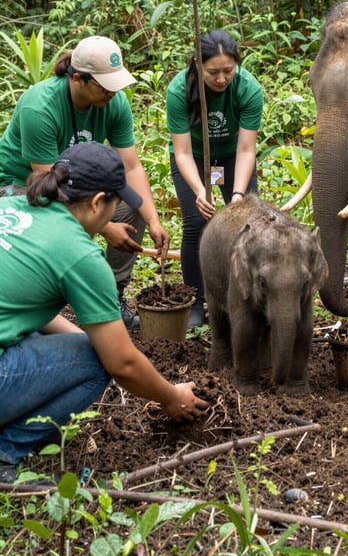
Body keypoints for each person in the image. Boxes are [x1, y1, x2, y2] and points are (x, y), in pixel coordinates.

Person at [0, 142, 208, 484]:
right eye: (116, 203)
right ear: (98, 202)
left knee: (87, 346)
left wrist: (88, 339)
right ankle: (5, 449)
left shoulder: (11, 206)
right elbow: (122, 365)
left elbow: (22, 309)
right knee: (99, 361)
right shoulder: (79, 254)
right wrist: (171, 397)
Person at [0, 35, 170, 330]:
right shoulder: (39, 107)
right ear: (78, 79)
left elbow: (131, 168)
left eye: (116, 85)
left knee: (130, 206)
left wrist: (153, 220)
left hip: (77, 184)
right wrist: (105, 229)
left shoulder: (112, 103)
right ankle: (37, 301)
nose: (113, 93)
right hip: (21, 185)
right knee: (44, 219)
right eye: (105, 86)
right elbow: (49, 187)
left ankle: (112, 293)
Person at [165, 29, 264, 327]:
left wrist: (236, 196)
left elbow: (247, 149)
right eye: (212, 72)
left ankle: (248, 298)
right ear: (197, 64)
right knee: (196, 223)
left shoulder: (248, 89)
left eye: (228, 71)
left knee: (250, 221)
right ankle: (196, 301)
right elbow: (181, 151)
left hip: (233, 155)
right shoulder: (178, 90)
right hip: (193, 157)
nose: (221, 79)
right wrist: (199, 189)